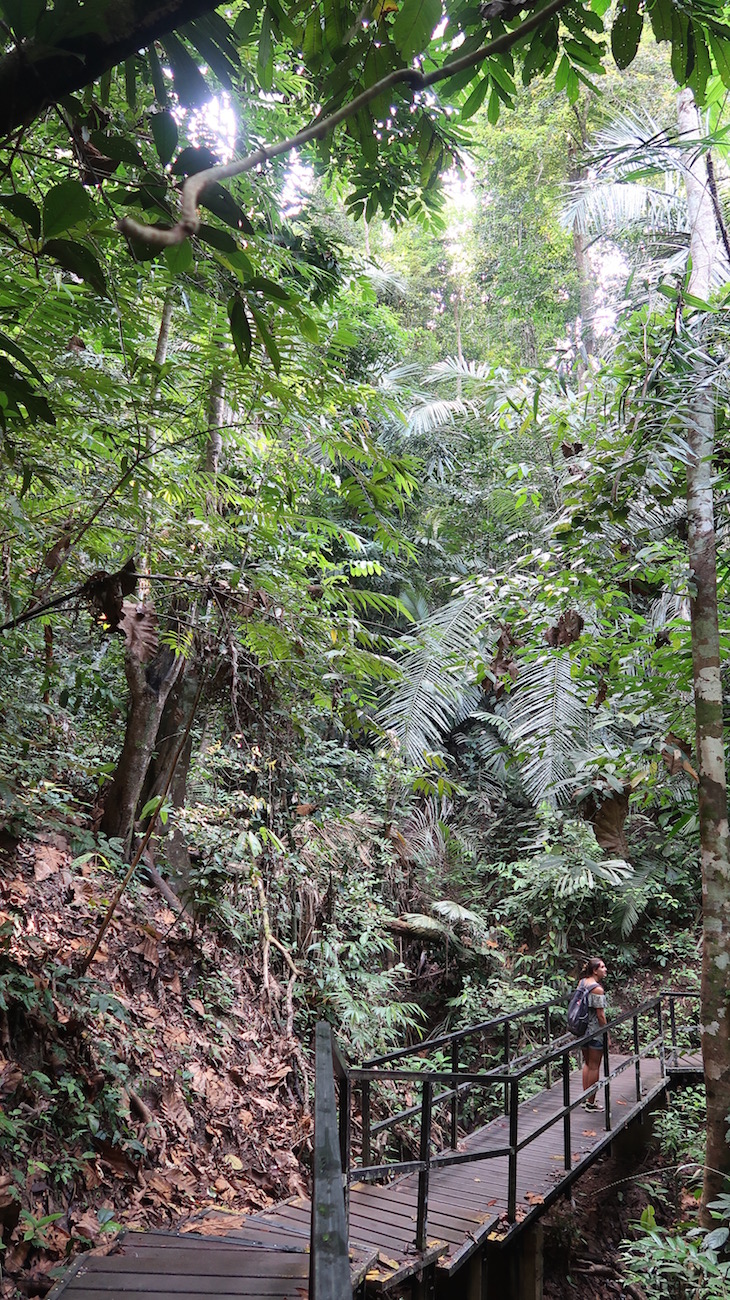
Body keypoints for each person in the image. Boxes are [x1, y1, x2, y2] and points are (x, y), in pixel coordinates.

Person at [576, 956, 608, 1111]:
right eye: (602, 967)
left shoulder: (582, 982)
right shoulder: (597, 989)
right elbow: (600, 1015)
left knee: (587, 1064)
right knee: (595, 1066)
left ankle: (585, 1098)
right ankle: (591, 1102)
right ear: (595, 971)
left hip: (582, 1030)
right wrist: (606, 1033)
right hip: (594, 1032)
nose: (605, 969)